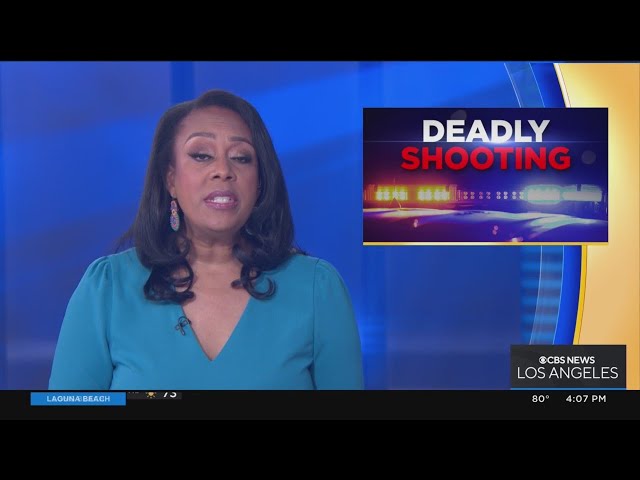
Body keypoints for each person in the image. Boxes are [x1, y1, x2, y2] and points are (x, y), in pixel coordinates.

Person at [48, 89, 364, 390]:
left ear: (259, 183)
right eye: (201, 155)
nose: (223, 170)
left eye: (241, 157)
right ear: (170, 179)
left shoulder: (317, 289)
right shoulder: (108, 288)